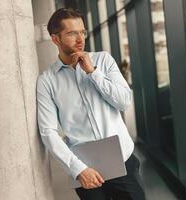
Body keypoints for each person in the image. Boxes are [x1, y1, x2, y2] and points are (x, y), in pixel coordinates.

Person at [36, 8, 145, 200]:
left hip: (123, 160)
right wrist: (78, 169)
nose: (80, 38)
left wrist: (93, 73)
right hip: (85, 168)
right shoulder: (47, 81)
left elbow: (123, 102)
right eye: (71, 33)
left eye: (82, 32)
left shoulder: (103, 60)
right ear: (55, 39)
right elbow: (48, 132)